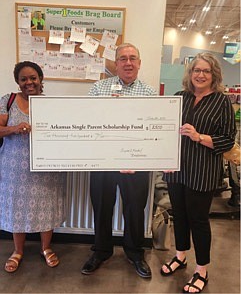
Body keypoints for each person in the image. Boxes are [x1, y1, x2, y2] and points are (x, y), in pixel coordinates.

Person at [160, 53, 236, 293]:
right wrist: (162, 157)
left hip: (202, 170)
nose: (200, 75)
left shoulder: (222, 102)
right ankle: (180, 255)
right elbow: (165, 131)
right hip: (176, 169)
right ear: (189, 73)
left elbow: (227, 140)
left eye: (206, 71)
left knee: (199, 220)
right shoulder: (179, 98)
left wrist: (199, 137)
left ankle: (201, 269)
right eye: (196, 70)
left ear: (214, 75)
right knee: (179, 215)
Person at [81, 43, 157, 278]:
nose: (128, 63)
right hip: (103, 162)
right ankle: (101, 251)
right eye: (123, 58)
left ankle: (135, 254)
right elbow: (89, 123)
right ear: (115, 63)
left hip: (136, 164)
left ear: (140, 63)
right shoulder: (98, 88)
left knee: (135, 210)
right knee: (102, 207)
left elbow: (154, 129)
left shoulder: (150, 93)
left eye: (133, 58)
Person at [0, 61, 66, 272]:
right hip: (14, 167)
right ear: (18, 82)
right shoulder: (7, 101)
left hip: (44, 168)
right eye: (24, 79)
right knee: (17, 207)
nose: (29, 82)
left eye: (33, 78)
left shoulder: (49, 105)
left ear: (40, 79)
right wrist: (14, 128)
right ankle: (17, 251)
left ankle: (46, 248)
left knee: (45, 205)